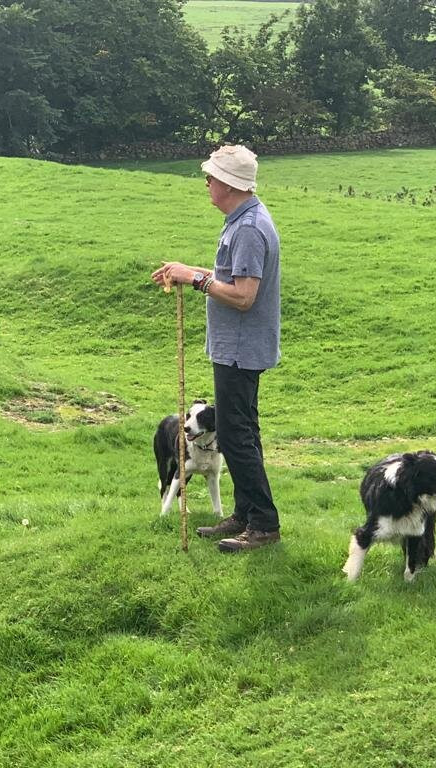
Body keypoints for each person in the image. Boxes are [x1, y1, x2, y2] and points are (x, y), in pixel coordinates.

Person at [151, 145, 282, 553]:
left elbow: (244, 295)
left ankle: (262, 524)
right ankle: (245, 515)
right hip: (237, 348)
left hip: (240, 351)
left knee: (237, 436)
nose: (206, 183)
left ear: (228, 184)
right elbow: (231, 277)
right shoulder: (243, 220)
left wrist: (196, 281)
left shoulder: (247, 228)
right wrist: (188, 271)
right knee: (240, 431)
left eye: (210, 177)